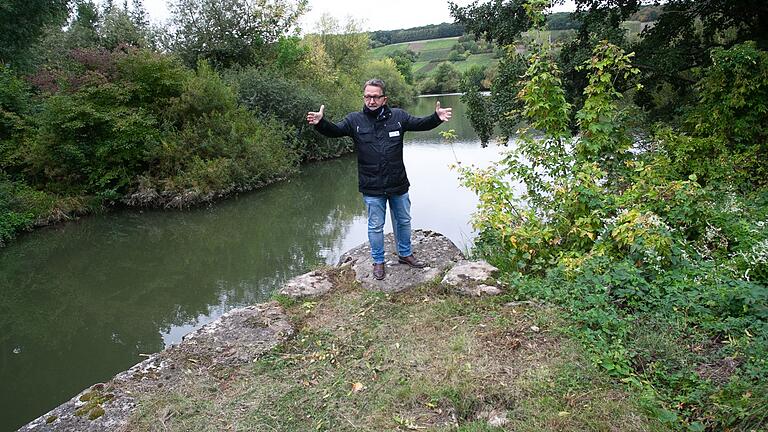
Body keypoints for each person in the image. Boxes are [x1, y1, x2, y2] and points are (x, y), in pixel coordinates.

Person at [306, 78, 452, 280]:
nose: (371, 100)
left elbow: (420, 124)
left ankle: (405, 254)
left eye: (375, 97)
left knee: (403, 220)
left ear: (384, 99)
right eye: (367, 96)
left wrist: (436, 117)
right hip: (372, 185)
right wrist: (321, 123)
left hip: (398, 182)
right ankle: (378, 261)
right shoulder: (354, 120)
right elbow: (335, 131)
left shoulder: (398, 117)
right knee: (375, 225)